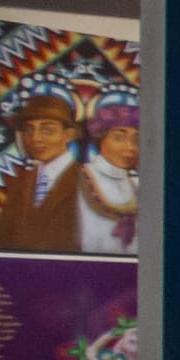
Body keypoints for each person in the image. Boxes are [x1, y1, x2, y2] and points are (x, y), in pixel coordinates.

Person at [0, 88, 84, 252]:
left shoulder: (87, 181)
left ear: (69, 134)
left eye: (47, 130)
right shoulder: (20, 180)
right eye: (29, 130)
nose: (35, 138)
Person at [74, 98, 139, 254]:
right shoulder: (75, 181)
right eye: (119, 137)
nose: (130, 147)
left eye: (136, 139)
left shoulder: (138, 185)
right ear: (100, 139)